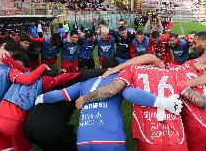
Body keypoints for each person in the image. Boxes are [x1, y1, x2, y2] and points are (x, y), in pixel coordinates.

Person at [75, 54, 206, 151]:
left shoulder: (131, 70)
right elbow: (197, 99)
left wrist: (85, 98)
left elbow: (111, 90)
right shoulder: (172, 73)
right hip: (176, 139)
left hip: (149, 136)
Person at [35, 57, 183, 151]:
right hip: (109, 139)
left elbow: (59, 95)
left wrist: (40, 98)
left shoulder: (85, 82)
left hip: (83, 140)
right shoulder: (118, 79)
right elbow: (131, 94)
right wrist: (165, 103)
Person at [0, 53, 80, 151]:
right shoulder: (44, 81)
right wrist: (81, 74)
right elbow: (62, 79)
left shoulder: (23, 73)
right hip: (13, 122)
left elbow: (16, 65)